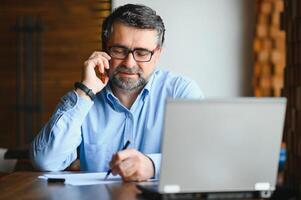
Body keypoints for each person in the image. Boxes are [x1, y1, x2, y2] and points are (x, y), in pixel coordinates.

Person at [30, 4, 203, 182]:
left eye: (142, 53)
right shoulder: (85, 98)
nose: (129, 63)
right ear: (104, 49)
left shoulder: (180, 92)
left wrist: (152, 166)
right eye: (119, 50)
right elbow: (46, 161)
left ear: (157, 54)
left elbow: (203, 156)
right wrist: (84, 92)